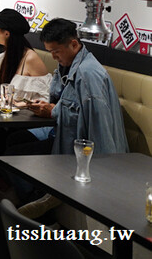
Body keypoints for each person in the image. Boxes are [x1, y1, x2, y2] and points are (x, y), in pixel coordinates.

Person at [8, 18, 129, 218]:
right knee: (15, 141)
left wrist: (105, 170)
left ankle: (43, 208)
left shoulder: (88, 74)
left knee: (14, 157)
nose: (53, 57)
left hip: (81, 147)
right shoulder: (70, 64)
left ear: (73, 44)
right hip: (62, 133)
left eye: (56, 52)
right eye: (50, 52)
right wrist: (50, 107)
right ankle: (34, 198)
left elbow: (100, 126)